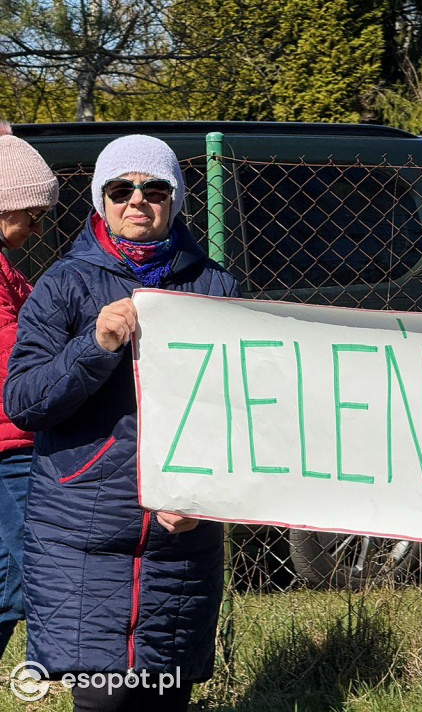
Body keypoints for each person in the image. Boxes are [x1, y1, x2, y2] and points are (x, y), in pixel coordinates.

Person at [3, 135, 240, 712]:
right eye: (121, 189)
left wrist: (203, 496)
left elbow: (242, 408)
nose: (138, 200)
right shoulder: (64, 284)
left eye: (154, 189)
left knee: (164, 698)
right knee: (105, 700)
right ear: (100, 200)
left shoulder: (216, 287)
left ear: (175, 200)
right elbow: (24, 401)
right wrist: (97, 344)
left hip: (181, 536)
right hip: (82, 534)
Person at [0, 124, 57, 658]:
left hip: (12, 443)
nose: (37, 229)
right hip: (10, 447)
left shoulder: (8, 272)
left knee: (7, 585)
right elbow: (19, 351)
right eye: (33, 215)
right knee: (36, 569)